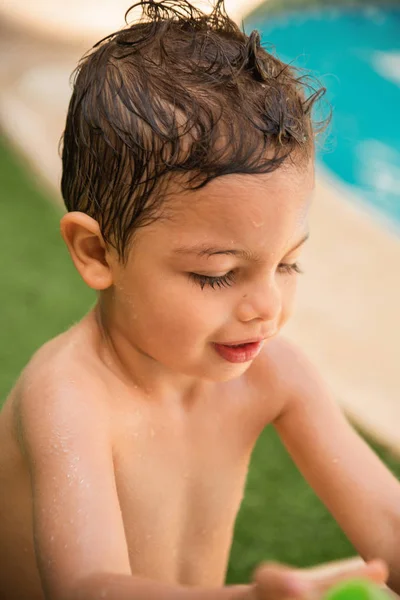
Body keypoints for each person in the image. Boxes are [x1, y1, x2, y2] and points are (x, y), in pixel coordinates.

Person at [0, 0, 399, 598]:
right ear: (98, 252)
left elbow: (389, 524)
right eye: (217, 274)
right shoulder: (69, 396)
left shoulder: (274, 374)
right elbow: (86, 587)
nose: (266, 307)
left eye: (287, 262)